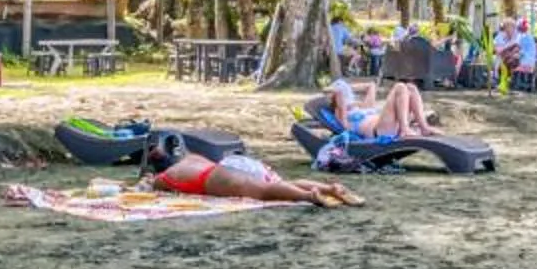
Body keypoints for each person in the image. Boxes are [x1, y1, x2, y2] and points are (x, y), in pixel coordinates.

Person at [144, 148, 364, 207]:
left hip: (213, 177)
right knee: (277, 183)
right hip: (231, 163)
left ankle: (309, 196)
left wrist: (148, 181)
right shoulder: (192, 157)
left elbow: (147, 188)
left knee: (264, 192)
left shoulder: (165, 177)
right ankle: (329, 188)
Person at [326, 75, 436, 142]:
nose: (347, 97)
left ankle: (424, 127)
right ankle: (405, 129)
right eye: (344, 96)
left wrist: (349, 90)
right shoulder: (340, 114)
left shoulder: (362, 107)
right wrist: (341, 97)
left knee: (411, 87)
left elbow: (371, 85)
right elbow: (332, 91)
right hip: (379, 131)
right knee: (400, 87)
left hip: (390, 125)